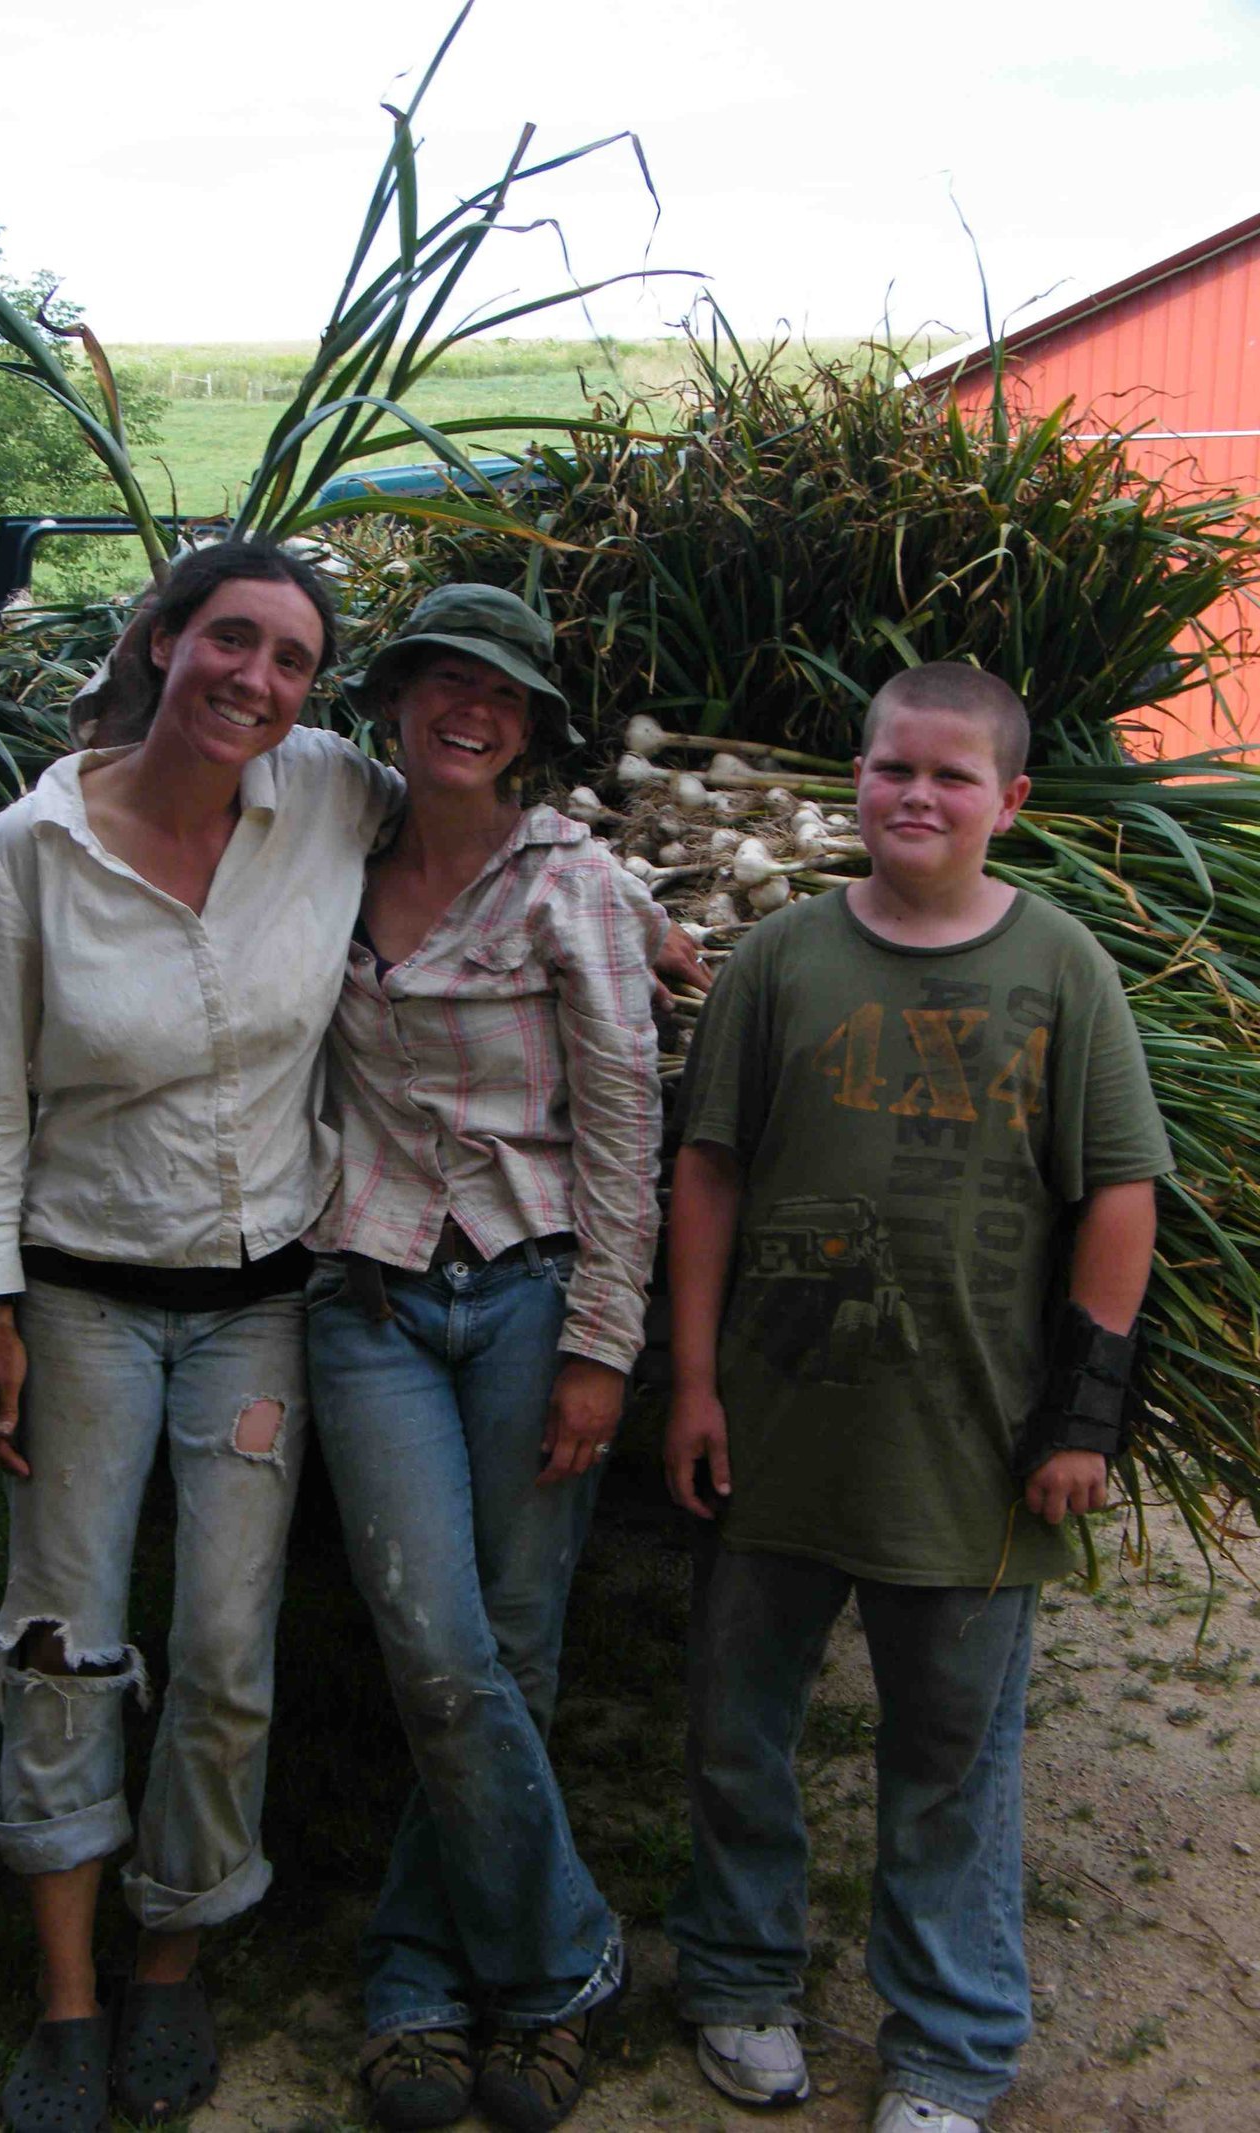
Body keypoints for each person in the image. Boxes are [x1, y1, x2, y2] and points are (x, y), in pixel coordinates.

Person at [661, 662, 1173, 2133]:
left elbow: (1120, 1194)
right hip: (775, 1425)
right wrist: (693, 1382)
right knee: (738, 1725)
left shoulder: (1061, 965)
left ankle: (949, 2044)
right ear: (857, 778)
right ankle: (741, 1976)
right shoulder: (780, 960)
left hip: (969, 1448)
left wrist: (1083, 1415)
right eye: (894, 767)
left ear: (1008, 802)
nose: (917, 795)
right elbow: (709, 1175)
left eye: (953, 777)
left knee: (950, 1754)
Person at [0, 537, 401, 2133]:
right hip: (80, 1295)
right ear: (163, 639)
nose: (256, 680)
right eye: (232, 640)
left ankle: (172, 1959)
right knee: (64, 1632)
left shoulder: (331, 793)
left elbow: (496, 836)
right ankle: (66, 2000)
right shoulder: (39, 846)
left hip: (257, 1304)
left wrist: (642, 929)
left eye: (290, 660)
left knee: (223, 1641)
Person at [303, 585, 667, 2133]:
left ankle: (417, 1977)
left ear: (530, 728)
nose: (472, 711)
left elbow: (625, 1122)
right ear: (393, 702)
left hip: (528, 1296)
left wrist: (602, 1343)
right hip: (370, 1295)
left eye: (503, 694)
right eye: (443, 683)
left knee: (510, 1649)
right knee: (437, 1651)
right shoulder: (318, 857)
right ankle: (569, 1955)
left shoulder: (568, 879)